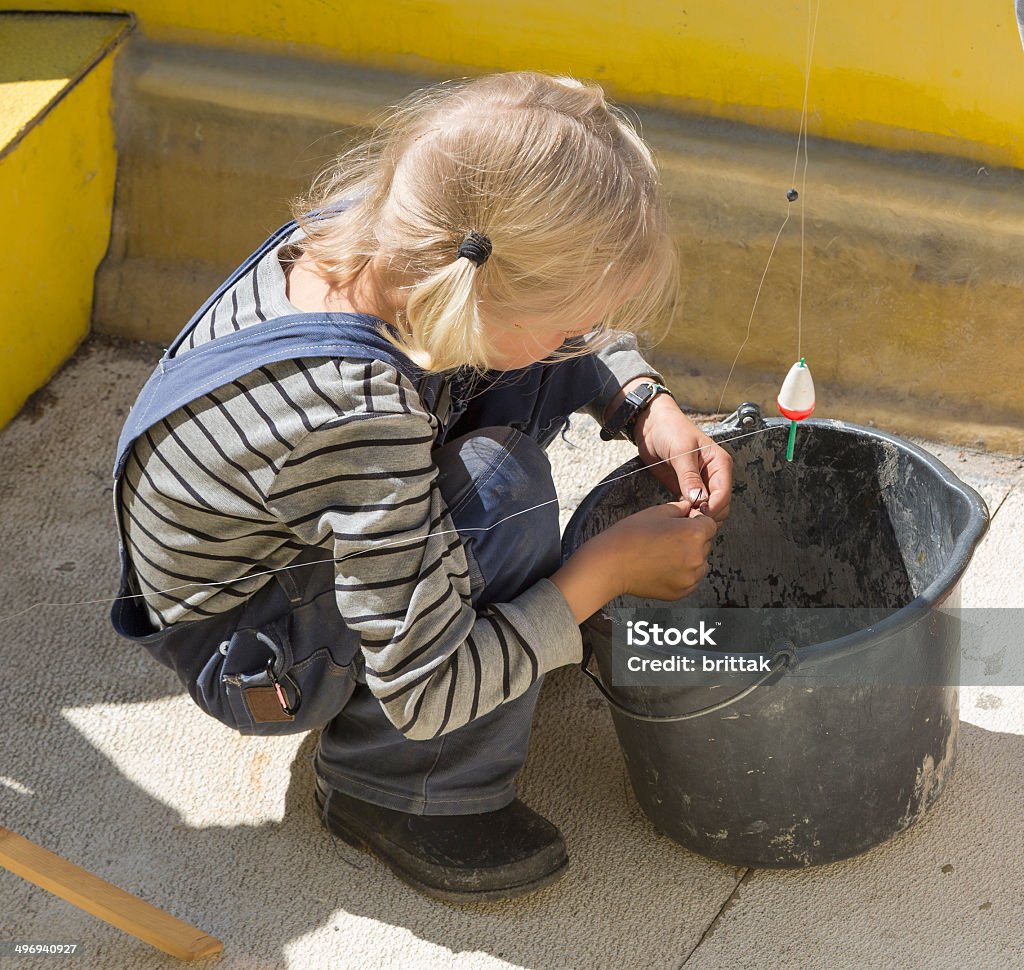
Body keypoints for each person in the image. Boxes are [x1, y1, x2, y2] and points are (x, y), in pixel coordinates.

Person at [110, 71, 732, 903]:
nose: (585, 338)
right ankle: (399, 793)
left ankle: (463, 645)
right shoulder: (355, 416)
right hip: (254, 650)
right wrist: (603, 577)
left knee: (523, 377)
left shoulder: (408, 227)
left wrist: (639, 402)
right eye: (574, 322)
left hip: (284, 537)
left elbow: (530, 332)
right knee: (509, 499)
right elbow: (429, 688)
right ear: (480, 291)